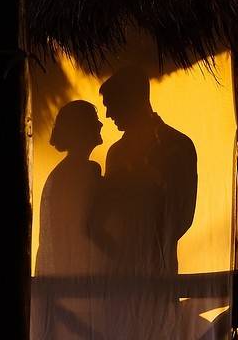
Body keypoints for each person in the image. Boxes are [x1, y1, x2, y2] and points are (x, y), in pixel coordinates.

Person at [91, 66, 198, 338]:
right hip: (117, 278)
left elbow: (183, 214)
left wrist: (148, 246)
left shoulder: (178, 146)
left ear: (135, 100)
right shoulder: (116, 153)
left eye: (112, 105)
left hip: (158, 272)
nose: (107, 114)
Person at [33, 100, 105, 340]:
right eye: (94, 120)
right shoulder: (86, 171)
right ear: (82, 129)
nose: (101, 123)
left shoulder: (60, 173)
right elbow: (91, 227)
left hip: (65, 282)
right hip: (82, 284)